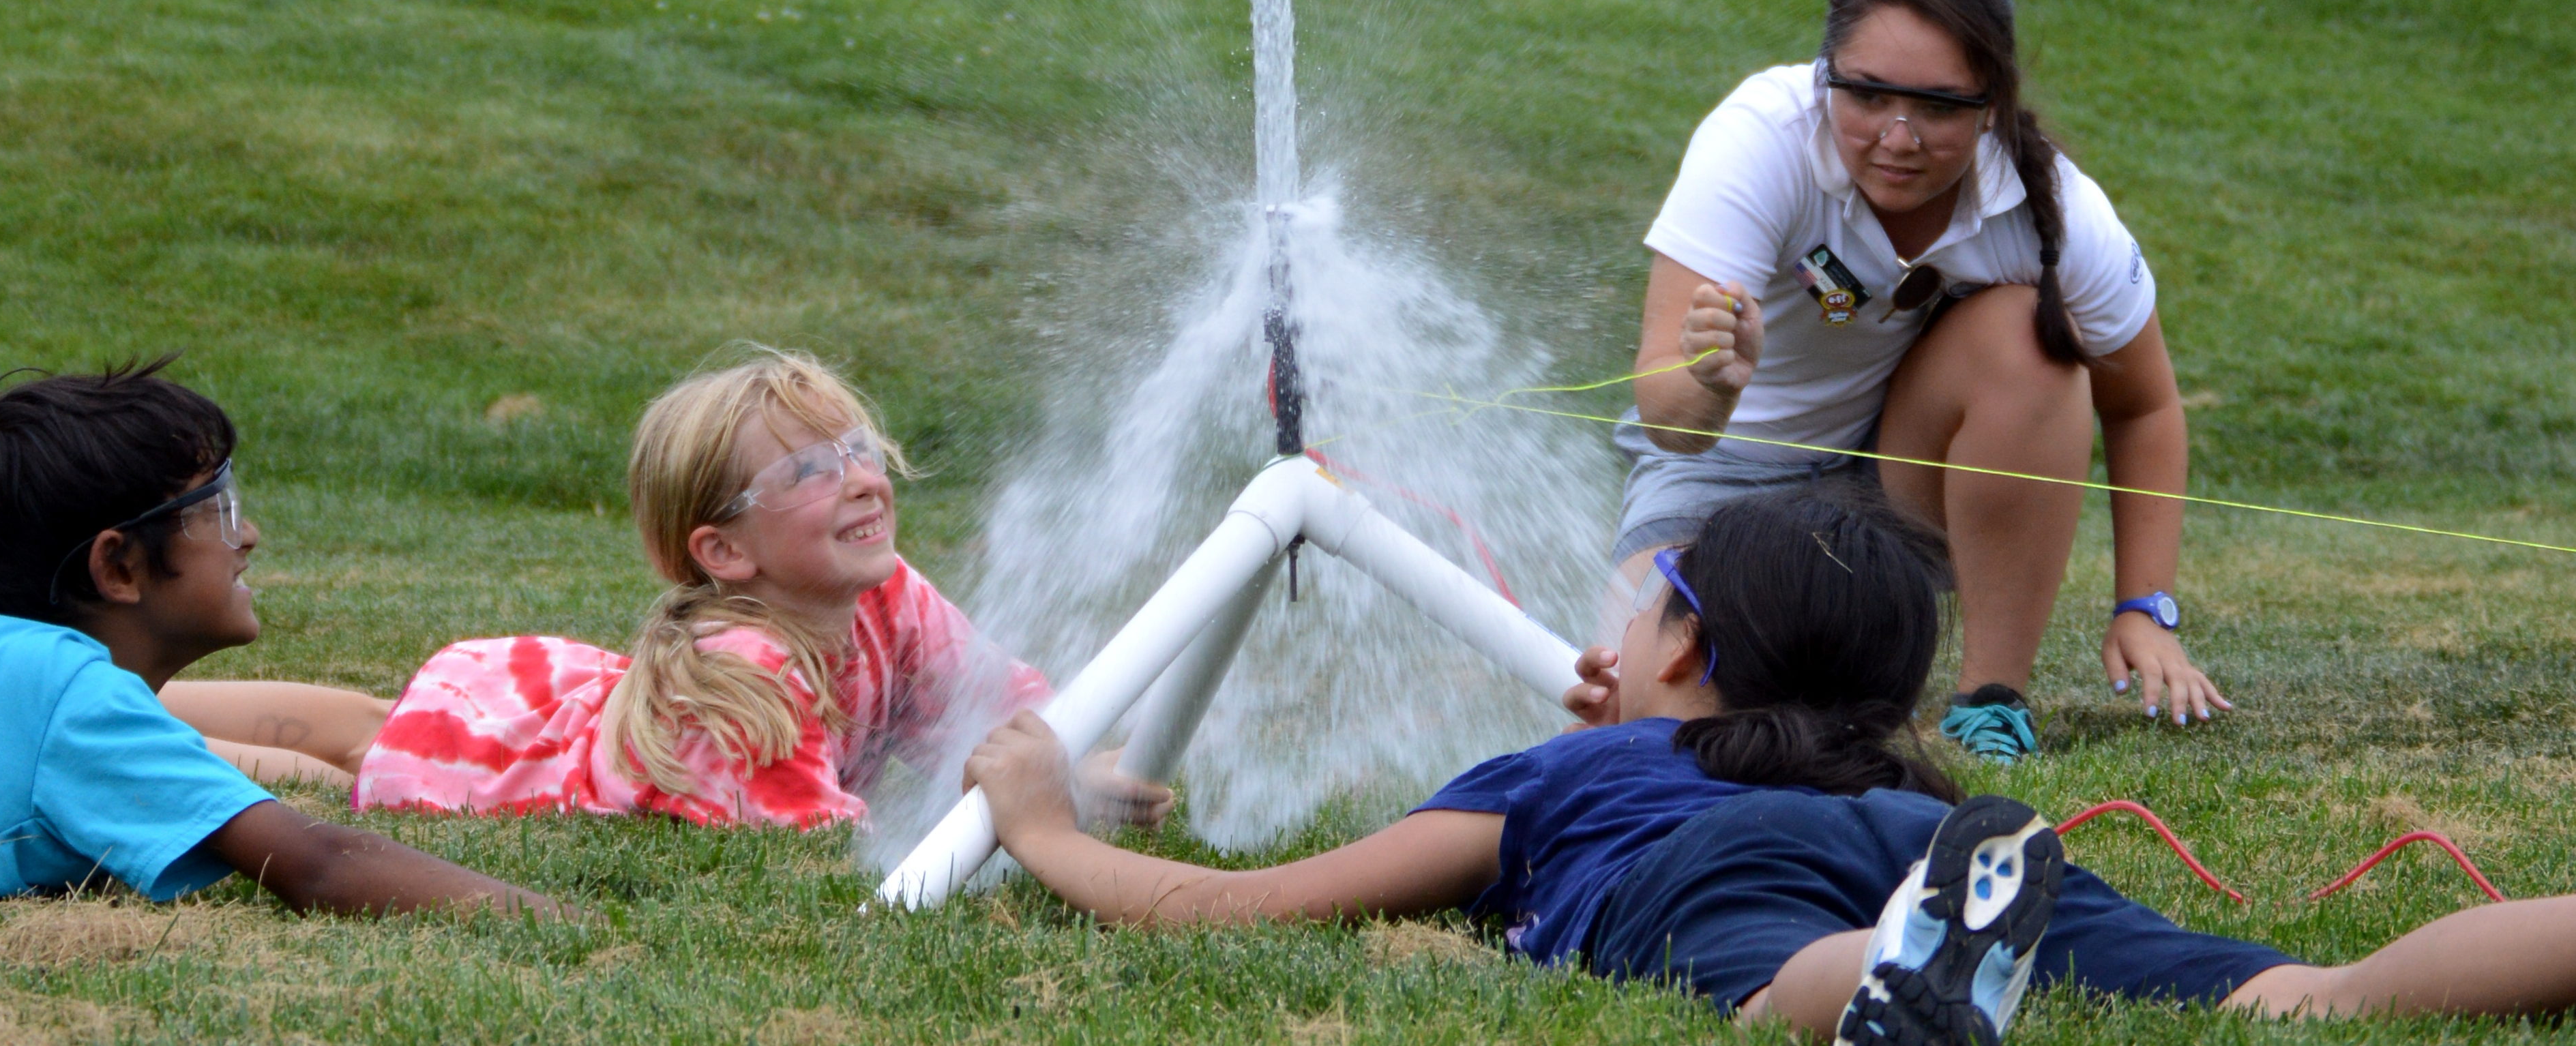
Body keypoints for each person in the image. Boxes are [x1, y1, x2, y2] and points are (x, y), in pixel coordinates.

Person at [964, 488, 2576, 1044]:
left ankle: (1897, 973)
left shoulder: (1553, 782)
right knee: (2303, 987)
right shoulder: (1897, 782)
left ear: (1679, 645)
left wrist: (1040, 822)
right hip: (1931, 843)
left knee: (1767, 979)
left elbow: (1226, 909)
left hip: (1727, 884)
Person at [1613, 0, 2222, 762]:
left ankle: (1989, 702)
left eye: (1937, 106)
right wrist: (1713, 384)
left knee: (2029, 337)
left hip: (1885, 496)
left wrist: (2144, 608)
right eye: (1866, 95)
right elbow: (1669, 423)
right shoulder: (1759, 138)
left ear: (1991, 105)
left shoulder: (2059, 212)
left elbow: (2145, 405)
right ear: (1827, 74)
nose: (1897, 137)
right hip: (1717, 474)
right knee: (1643, 721)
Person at [167, 346, 1169, 833]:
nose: (864, 477)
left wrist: (1084, 749)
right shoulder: (747, 678)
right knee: (354, 763)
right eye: (813, 468)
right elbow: (812, 843)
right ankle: (121, 707)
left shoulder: (887, 596)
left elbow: (997, 702)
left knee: (371, 719)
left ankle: (133, 692)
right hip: (522, 774)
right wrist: (1021, 801)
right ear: (724, 551)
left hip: (571, 709)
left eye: (860, 449)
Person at [0, 361, 573, 918]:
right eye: (217, 510)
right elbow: (315, 861)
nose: (249, 533)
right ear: (118, 567)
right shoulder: (67, 694)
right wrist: (568, 918)